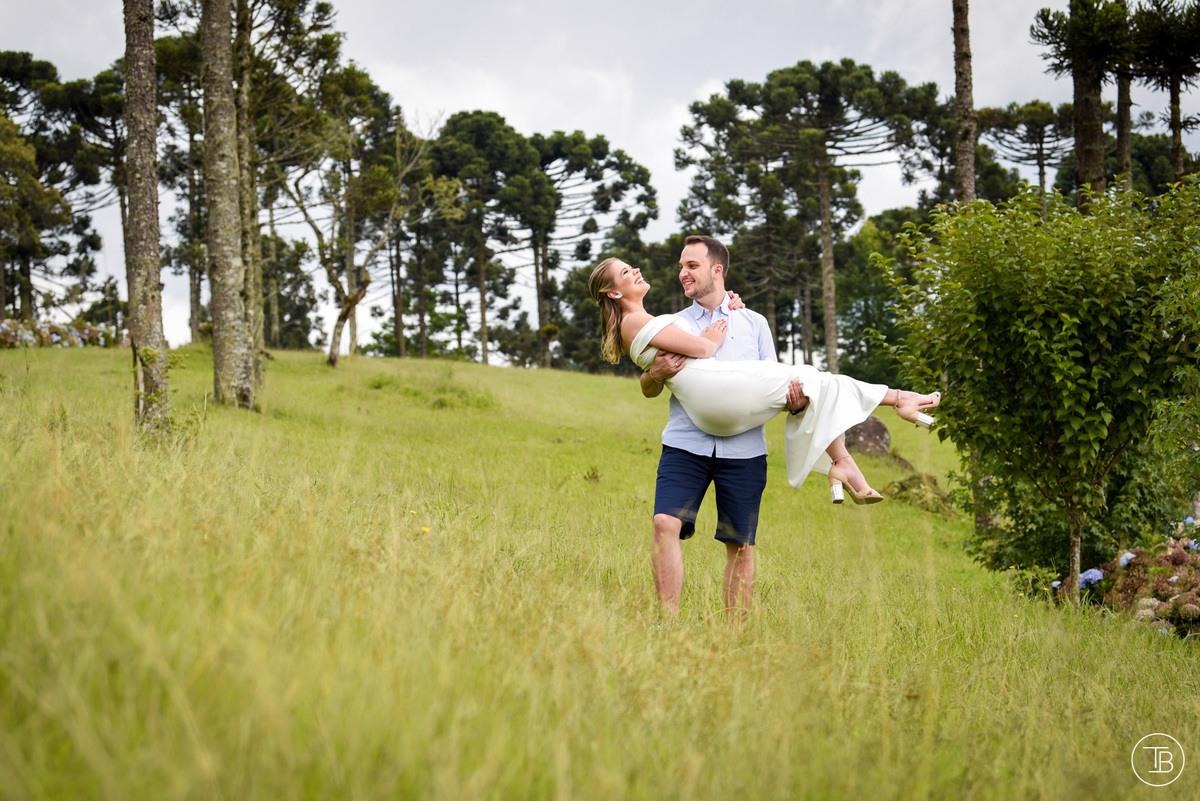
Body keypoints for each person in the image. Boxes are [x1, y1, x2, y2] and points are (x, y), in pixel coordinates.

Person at [589, 236, 939, 616]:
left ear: (716, 270)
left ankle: (735, 639)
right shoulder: (674, 321)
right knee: (663, 523)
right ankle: (666, 625)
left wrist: (795, 402)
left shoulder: (753, 322)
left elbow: (775, 378)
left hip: (743, 446)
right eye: (680, 266)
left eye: (691, 266)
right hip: (687, 441)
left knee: (742, 541)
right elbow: (650, 381)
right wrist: (654, 373)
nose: (682, 273)